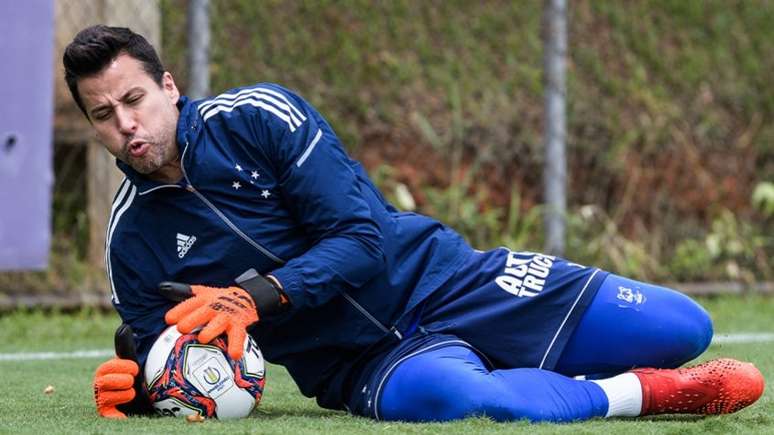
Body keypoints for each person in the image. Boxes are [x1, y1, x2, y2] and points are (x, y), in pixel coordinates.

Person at [64, 25, 764, 422]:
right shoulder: (131, 240)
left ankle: (541, 352)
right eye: (103, 114)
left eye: (134, 99)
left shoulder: (258, 117)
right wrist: (144, 385)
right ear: (91, 123)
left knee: (684, 328)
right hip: (362, 363)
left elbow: (362, 238)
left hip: (450, 279)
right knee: (469, 397)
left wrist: (257, 295)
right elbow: (160, 351)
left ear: (168, 88)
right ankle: (646, 395)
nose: (127, 125)